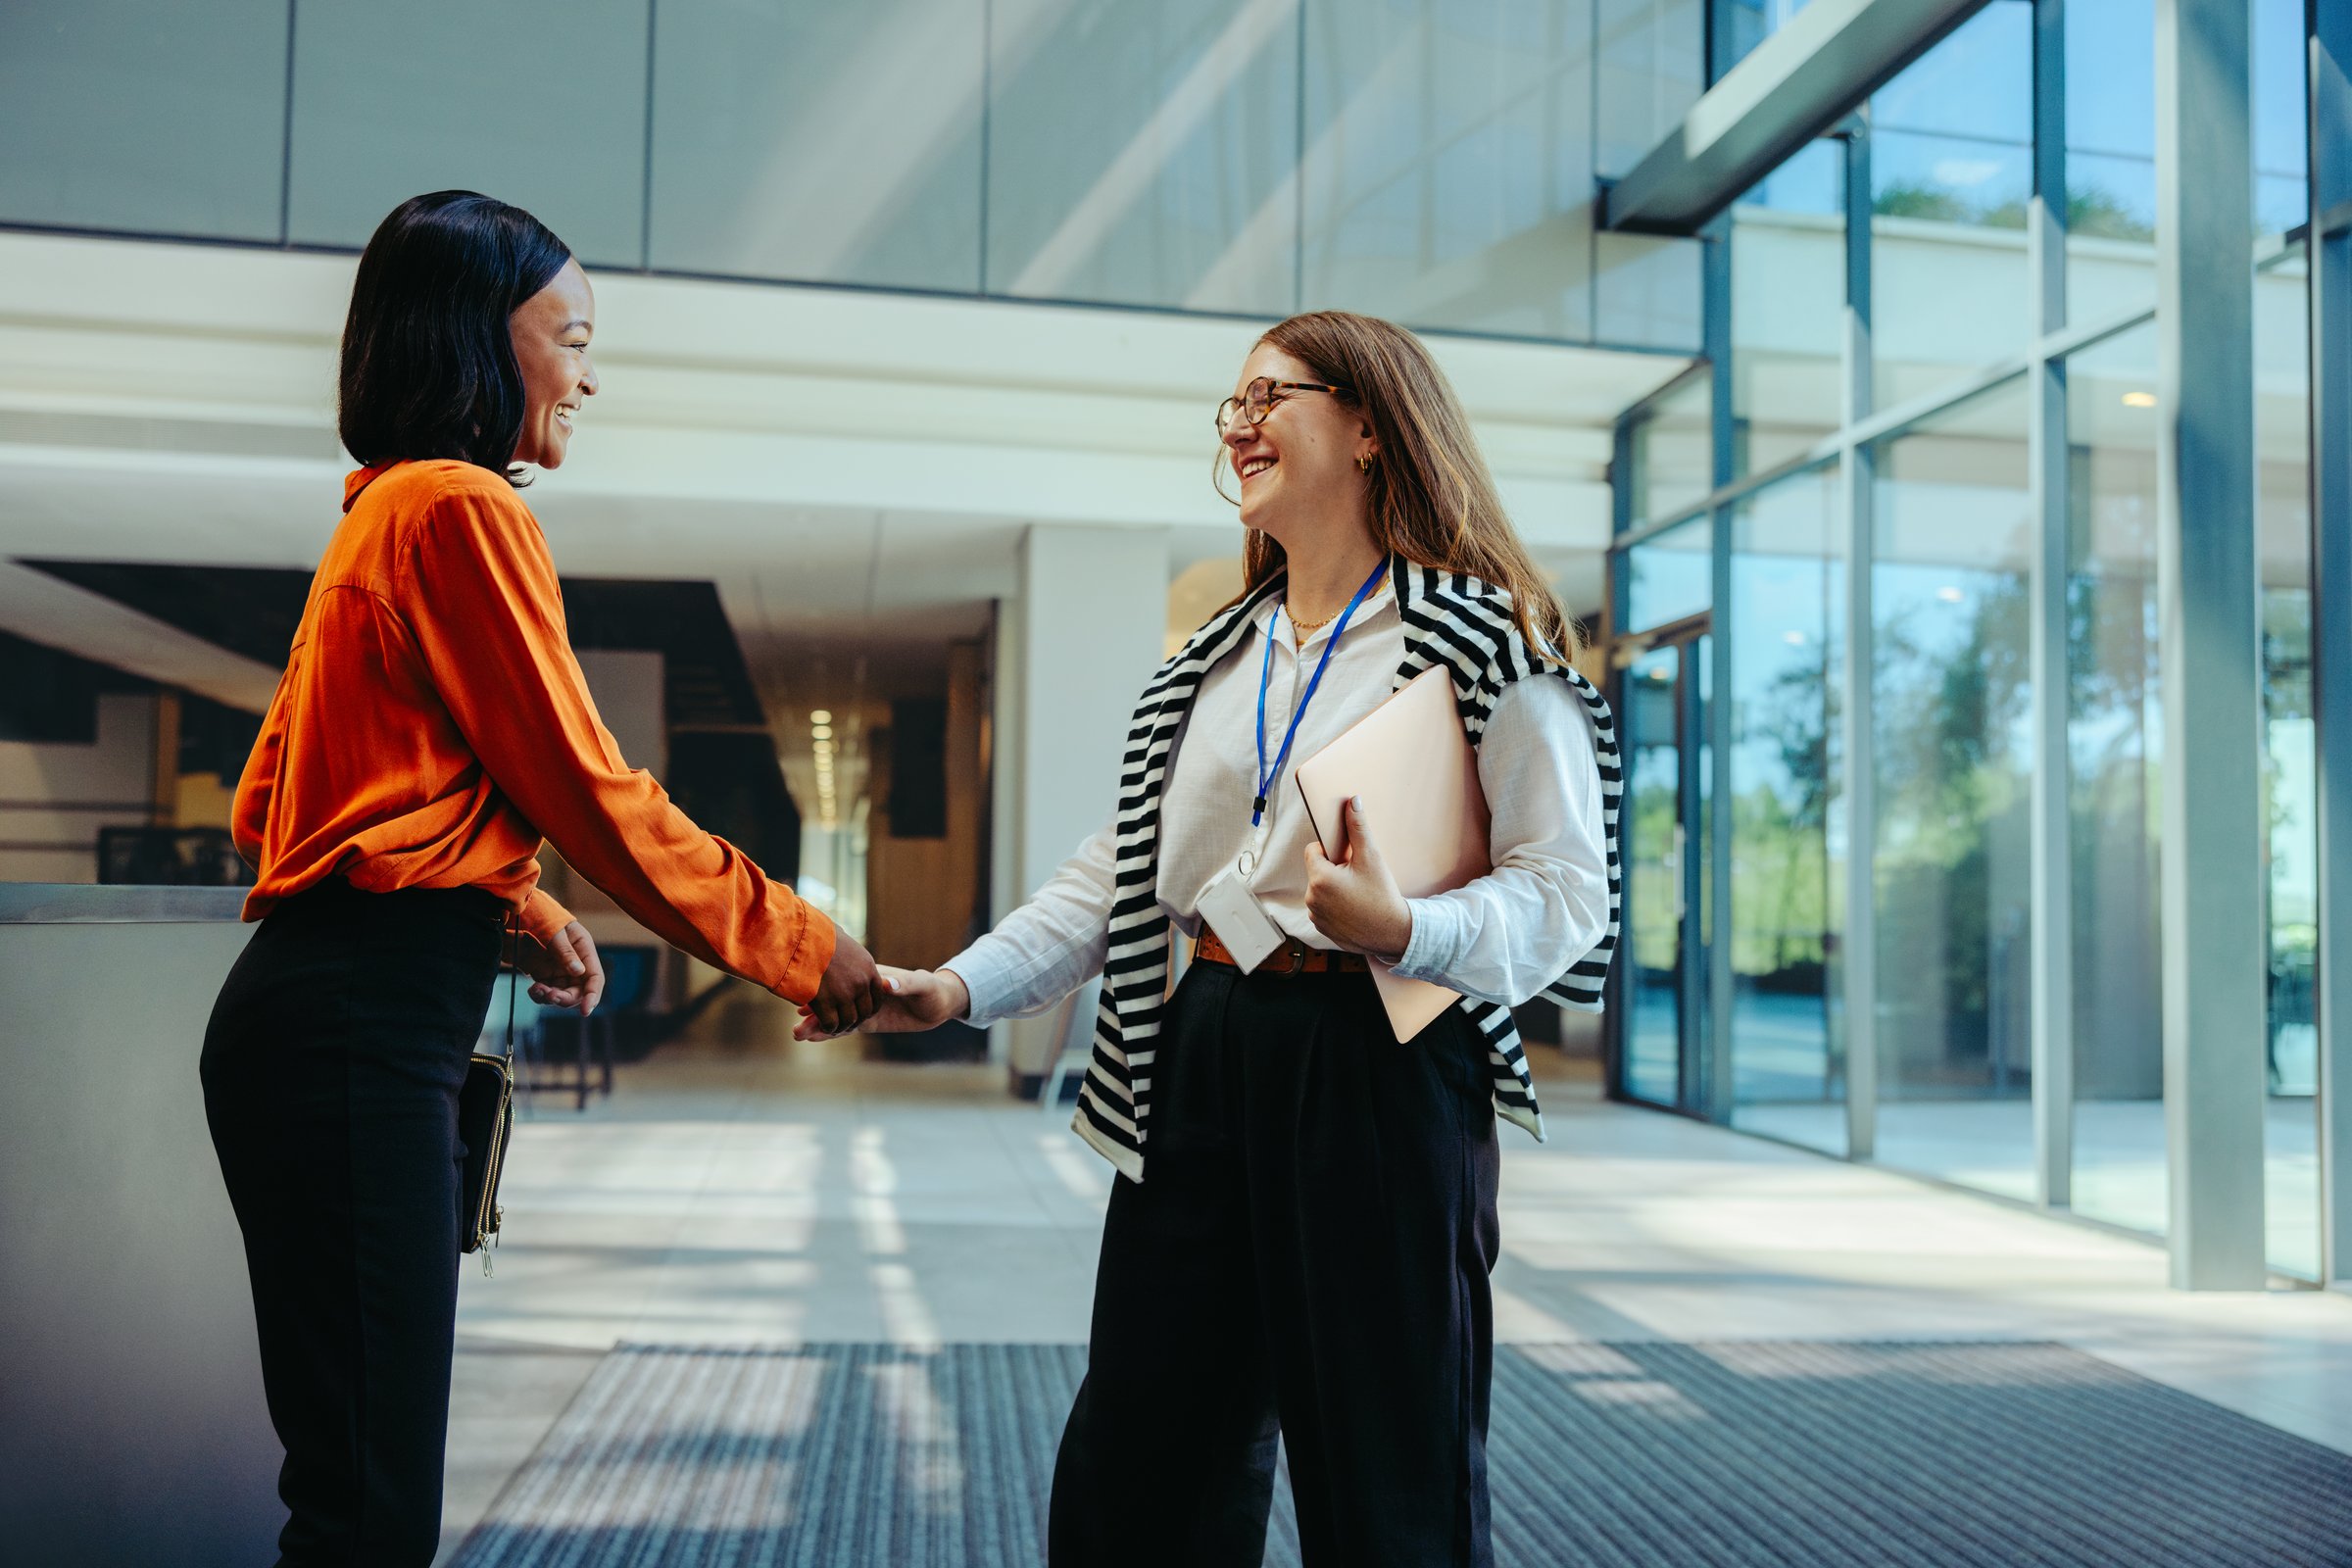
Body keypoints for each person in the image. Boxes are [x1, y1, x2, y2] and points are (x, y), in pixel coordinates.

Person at [832, 311, 1621, 1566]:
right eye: (1231, 404)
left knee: (1387, 1466)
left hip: (1378, 1064)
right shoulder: (1205, 661)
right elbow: (1120, 876)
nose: (1239, 423)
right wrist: (962, 985)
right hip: (1196, 1048)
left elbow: (1572, 895)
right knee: (1145, 1455)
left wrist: (1404, 924)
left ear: (1372, 427)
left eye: (1272, 395)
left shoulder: (1480, 641)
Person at [200, 190, 885, 1567]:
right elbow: (591, 787)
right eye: (568, 335)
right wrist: (817, 949)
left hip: (307, 1020)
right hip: (360, 1032)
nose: (587, 371)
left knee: (346, 1481)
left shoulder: (377, 515)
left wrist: (508, 903)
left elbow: (272, 807)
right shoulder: (459, 509)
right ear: (475, 338)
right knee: (369, 1508)